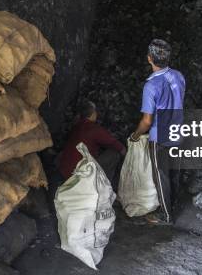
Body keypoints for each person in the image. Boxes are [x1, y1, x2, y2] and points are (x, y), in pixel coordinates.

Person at [129, 39, 185, 224]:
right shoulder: (179, 76)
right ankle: (174, 203)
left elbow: (147, 121)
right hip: (179, 130)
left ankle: (166, 215)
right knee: (175, 172)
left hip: (160, 136)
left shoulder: (151, 86)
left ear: (149, 58)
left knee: (161, 176)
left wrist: (136, 135)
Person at [59, 100, 126, 183]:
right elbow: (113, 142)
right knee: (114, 154)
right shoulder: (93, 128)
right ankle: (104, 185)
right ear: (93, 113)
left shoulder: (76, 126)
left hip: (65, 171)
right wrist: (124, 152)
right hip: (79, 172)